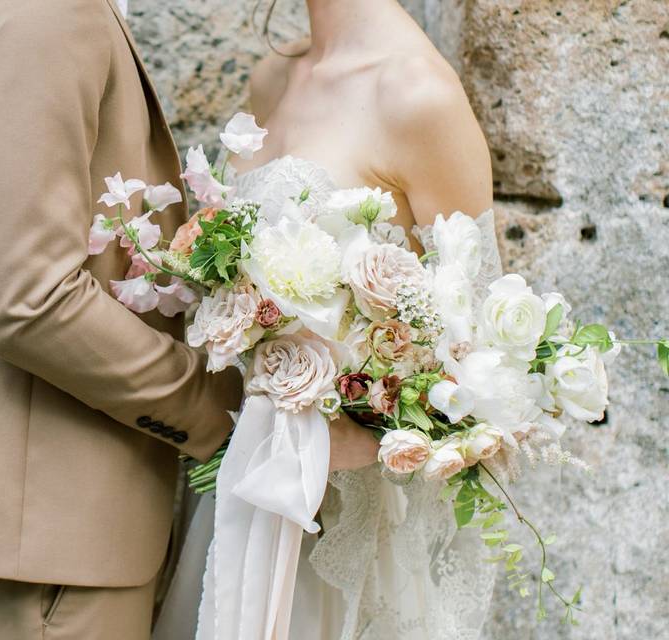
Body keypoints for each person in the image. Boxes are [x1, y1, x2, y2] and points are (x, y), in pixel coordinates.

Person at [0, 1, 258, 638]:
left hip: (46, 533)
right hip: (44, 548)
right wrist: (225, 408)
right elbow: (30, 301)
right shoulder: (32, 12)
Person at [156, 1, 499, 638]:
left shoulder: (418, 96)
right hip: (238, 483)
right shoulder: (274, 77)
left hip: (336, 516)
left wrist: (367, 431)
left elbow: (480, 363)